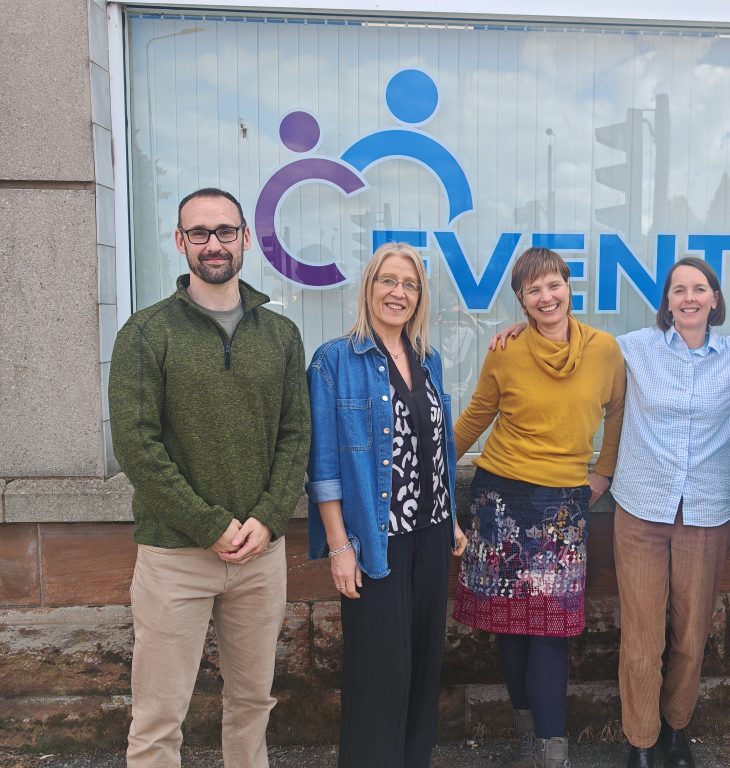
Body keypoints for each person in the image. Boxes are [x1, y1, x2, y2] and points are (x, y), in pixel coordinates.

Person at [493, 257, 730, 768]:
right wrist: (524, 327)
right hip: (642, 509)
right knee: (641, 635)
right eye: (679, 290)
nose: (689, 298)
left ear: (714, 300)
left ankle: (676, 730)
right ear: (667, 302)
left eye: (700, 289)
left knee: (691, 633)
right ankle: (641, 741)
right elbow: (570, 340)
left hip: (707, 513)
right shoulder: (630, 348)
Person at [109, 187, 311, 768]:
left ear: (246, 238)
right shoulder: (145, 335)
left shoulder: (281, 336)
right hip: (176, 555)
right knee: (157, 716)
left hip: (258, 554)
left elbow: (296, 435)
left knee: (252, 704)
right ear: (180, 243)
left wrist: (268, 519)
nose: (213, 244)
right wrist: (209, 524)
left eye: (225, 231)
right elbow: (137, 447)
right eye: (199, 233)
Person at [453, 247, 626, 768]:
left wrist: (603, 474)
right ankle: (529, 734)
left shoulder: (605, 349)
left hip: (563, 507)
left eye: (553, 285)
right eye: (533, 290)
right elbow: (476, 417)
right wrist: (430, 470)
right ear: (522, 301)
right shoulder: (506, 349)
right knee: (509, 623)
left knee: (552, 627)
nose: (546, 297)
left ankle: (554, 752)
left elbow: (617, 414)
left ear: (568, 287)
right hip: (500, 500)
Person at [306, 242, 468, 768]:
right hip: (376, 541)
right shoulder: (336, 360)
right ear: (369, 287)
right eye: (388, 281)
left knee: (423, 671)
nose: (399, 292)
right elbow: (324, 465)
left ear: (420, 297)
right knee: (380, 677)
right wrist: (338, 547)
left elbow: (433, 447)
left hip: (432, 535)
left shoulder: (429, 360)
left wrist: (454, 521)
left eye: (410, 284)